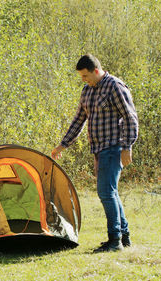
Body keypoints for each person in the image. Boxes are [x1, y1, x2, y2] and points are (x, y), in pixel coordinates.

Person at [51, 54, 138, 253]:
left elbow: (130, 117)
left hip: (114, 147)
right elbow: (78, 121)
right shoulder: (87, 91)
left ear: (96, 71)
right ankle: (123, 237)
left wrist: (127, 146)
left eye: (85, 76)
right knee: (111, 192)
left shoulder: (115, 87)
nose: (83, 79)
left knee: (106, 193)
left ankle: (114, 240)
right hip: (98, 149)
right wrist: (62, 146)